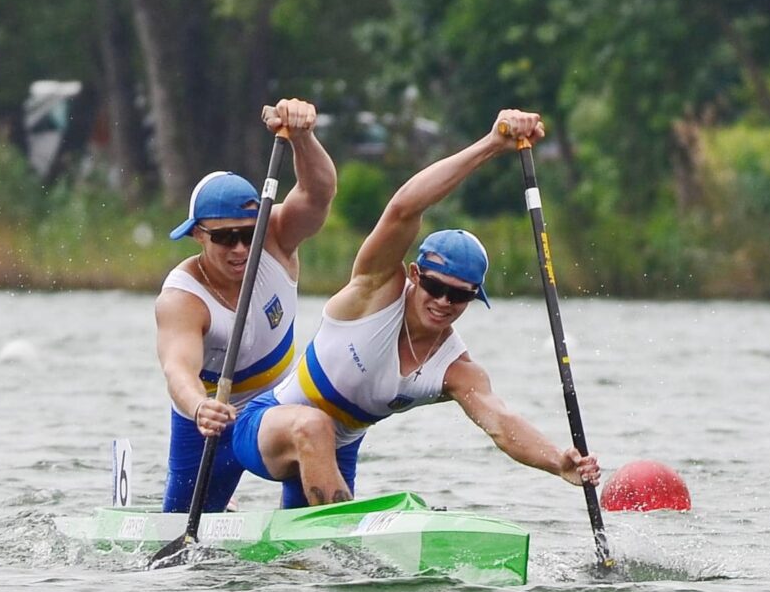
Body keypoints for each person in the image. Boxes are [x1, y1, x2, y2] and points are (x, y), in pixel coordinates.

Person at [228, 109, 601, 508]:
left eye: (459, 296)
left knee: (309, 564)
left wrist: (557, 463)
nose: (443, 302)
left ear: (475, 297)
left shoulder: (456, 369)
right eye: (435, 287)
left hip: (337, 453)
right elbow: (405, 207)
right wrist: (492, 144)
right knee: (313, 425)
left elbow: (500, 421)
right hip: (265, 426)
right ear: (414, 275)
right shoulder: (374, 292)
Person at [156, 98, 337, 513]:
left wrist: (303, 137)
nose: (240, 248)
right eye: (224, 238)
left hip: (279, 403)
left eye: (247, 234)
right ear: (198, 235)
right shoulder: (183, 298)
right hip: (211, 419)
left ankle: (314, 541)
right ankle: (227, 509)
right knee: (185, 525)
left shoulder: (276, 239)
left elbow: (319, 192)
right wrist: (199, 407)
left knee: (311, 432)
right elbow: (177, 369)